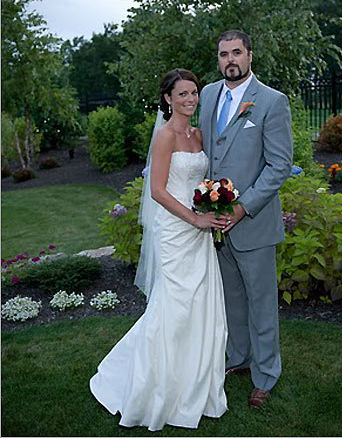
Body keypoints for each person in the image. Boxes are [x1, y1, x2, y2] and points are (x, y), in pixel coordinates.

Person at [90, 69, 228, 431]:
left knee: (200, 307)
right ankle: (151, 387)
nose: (190, 99)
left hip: (199, 231)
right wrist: (195, 219)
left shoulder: (198, 135)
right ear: (168, 99)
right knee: (173, 309)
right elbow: (158, 191)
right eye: (182, 94)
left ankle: (195, 382)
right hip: (176, 231)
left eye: (194, 93)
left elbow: (200, 180)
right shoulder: (165, 136)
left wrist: (213, 202)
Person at [199, 29, 293, 409]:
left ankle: (266, 374)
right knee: (232, 301)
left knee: (261, 304)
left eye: (236, 52)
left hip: (253, 223)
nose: (230, 60)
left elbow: (279, 165)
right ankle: (239, 358)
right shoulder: (208, 95)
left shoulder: (271, 101)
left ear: (250, 55)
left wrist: (241, 208)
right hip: (216, 226)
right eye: (224, 54)